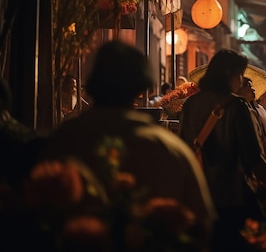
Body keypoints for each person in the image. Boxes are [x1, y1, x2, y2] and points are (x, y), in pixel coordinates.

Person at [39, 41, 216, 249]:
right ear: (142, 88)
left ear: (93, 84)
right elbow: (202, 226)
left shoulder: (63, 139)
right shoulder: (169, 148)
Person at [179, 49, 266, 251]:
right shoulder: (237, 107)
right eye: (240, 75)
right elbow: (252, 155)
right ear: (230, 76)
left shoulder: (190, 104)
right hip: (231, 196)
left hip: (198, 195)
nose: (241, 81)